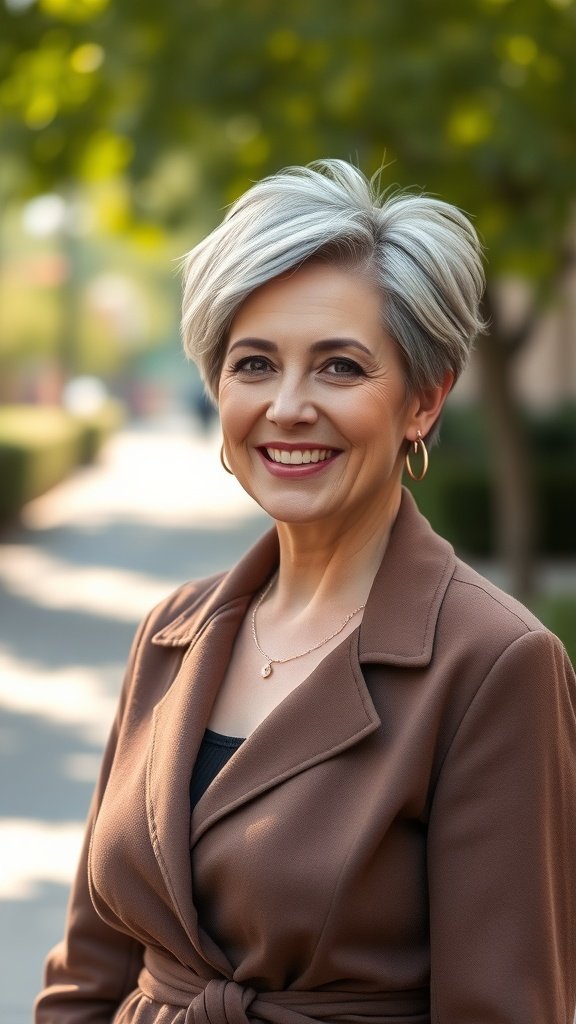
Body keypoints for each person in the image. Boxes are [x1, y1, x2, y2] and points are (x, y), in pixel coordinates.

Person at [35, 160, 576, 1024]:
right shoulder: (173, 631)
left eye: (340, 368)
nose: (288, 407)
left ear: (423, 401)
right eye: (254, 364)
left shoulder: (495, 665)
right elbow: (88, 974)